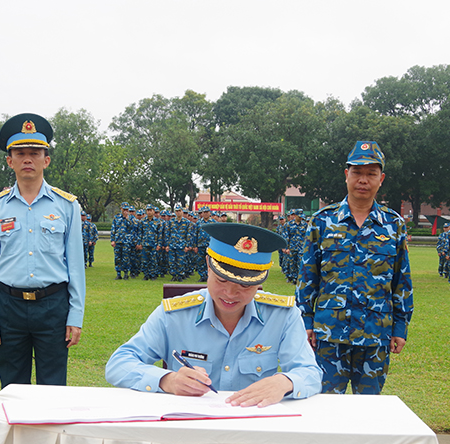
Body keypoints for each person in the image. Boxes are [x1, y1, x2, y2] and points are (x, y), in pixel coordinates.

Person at [106, 222, 322, 406]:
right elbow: (119, 363)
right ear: (208, 266)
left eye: (244, 286)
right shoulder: (174, 315)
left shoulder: (282, 316)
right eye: (221, 280)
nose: (230, 293)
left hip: (251, 427)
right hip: (190, 427)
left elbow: (310, 373)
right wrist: (167, 380)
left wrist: (284, 382)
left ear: (260, 282)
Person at [0, 113, 85, 387]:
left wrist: (75, 316)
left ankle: (49, 433)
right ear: (9, 160)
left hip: (53, 306)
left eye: (35, 153)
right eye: (20, 153)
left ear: (46, 160)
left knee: (53, 387)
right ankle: (19, 432)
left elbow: (75, 265)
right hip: (8, 306)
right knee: (12, 388)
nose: (28, 159)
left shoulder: (66, 206)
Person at [296, 140, 413, 394]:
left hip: (375, 335)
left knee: (368, 412)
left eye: (371, 173)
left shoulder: (393, 225)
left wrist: (400, 327)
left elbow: (401, 281)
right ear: (346, 175)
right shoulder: (321, 221)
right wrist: (305, 322)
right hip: (329, 335)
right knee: (324, 406)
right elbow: (307, 279)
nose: (363, 179)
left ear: (381, 179)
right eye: (357, 172)